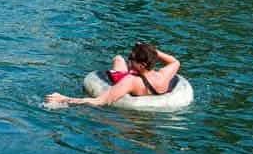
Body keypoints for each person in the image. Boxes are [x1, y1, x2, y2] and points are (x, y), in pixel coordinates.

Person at [44, 42, 180, 108]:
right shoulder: (163, 76)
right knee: (121, 61)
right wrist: (151, 51)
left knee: (118, 59)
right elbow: (175, 61)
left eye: (132, 59)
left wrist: (63, 98)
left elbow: (99, 101)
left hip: (128, 81)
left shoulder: (130, 81)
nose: (130, 60)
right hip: (146, 79)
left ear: (142, 65)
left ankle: (119, 60)